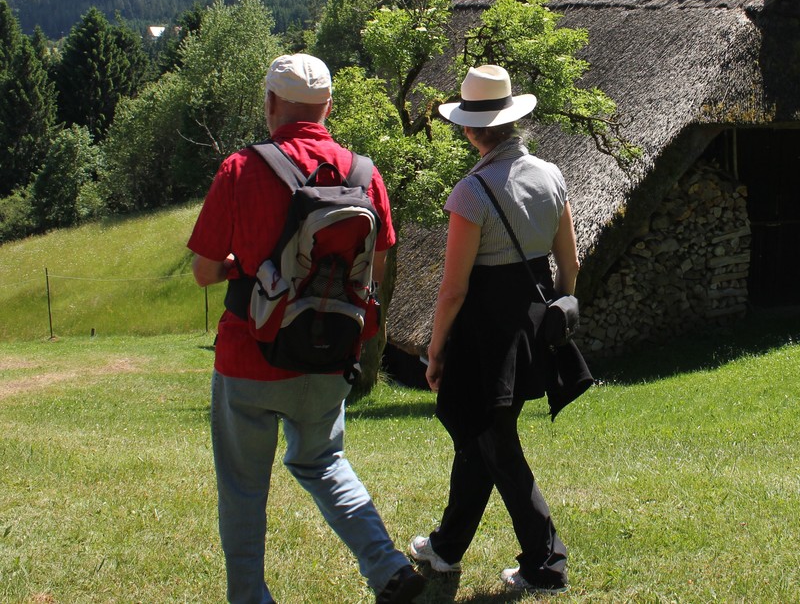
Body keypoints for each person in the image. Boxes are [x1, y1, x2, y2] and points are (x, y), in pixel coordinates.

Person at [188, 53, 425, 604]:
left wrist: (239, 266)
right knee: (322, 461)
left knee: (243, 488)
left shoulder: (240, 169)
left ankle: (250, 597)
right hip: (328, 354)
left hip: (250, 356)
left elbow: (203, 271)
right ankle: (388, 567)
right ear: (329, 107)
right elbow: (375, 272)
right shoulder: (364, 175)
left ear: (271, 103)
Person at [407, 64, 591, 594]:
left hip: (484, 340)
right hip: (532, 330)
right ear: (512, 120)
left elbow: (453, 289)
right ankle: (445, 548)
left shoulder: (472, 192)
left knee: (497, 447)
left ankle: (546, 564)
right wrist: (553, 319)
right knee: (481, 438)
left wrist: (435, 351)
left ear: (470, 130)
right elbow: (570, 265)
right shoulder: (551, 176)